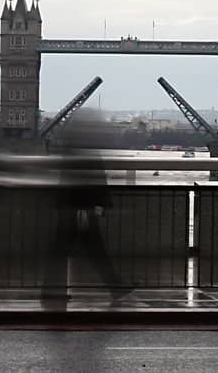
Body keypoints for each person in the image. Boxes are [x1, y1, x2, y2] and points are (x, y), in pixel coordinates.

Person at [41, 120, 130, 309]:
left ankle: (50, 290)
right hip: (82, 209)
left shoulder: (71, 151)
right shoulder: (87, 152)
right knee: (95, 251)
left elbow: (70, 181)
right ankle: (116, 287)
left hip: (72, 207)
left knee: (64, 251)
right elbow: (96, 180)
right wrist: (99, 205)